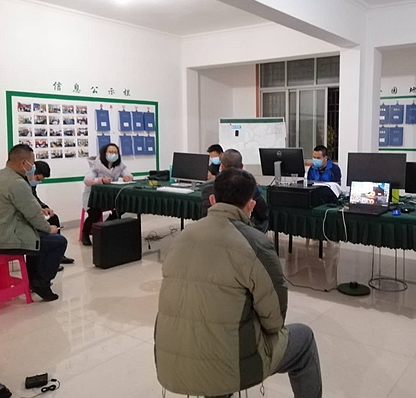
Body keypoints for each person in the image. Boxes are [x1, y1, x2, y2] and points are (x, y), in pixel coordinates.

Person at [155, 168, 322, 398]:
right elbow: (274, 321)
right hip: (229, 366)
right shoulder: (256, 243)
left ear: (212, 200)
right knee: (304, 339)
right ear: (251, 205)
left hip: (169, 363)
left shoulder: (181, 237)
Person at [0, 144, 68, 301]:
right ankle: (41, 283)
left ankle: (32, 279)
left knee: (37, 238)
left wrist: (40, 216)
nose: (33, 167)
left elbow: (17, 208)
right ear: (24, 163)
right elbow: (33, 215)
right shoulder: (17, 183)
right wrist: (49, 228)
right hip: (3, 239)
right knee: (58, 241)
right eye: (32, 163)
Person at [200, 149, 269, 232]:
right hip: (242, 233)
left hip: (210, 230)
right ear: (241, 167)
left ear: (222, 166)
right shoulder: (249, 186)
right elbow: (262, 213)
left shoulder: (207, 186)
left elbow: (204, 215)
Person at [81, 143, 133, 246]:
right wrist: (101, 180)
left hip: (109, 197)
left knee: (122, 208)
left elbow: (129, 174)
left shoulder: (119, 165)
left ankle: (107, 225)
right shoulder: (96, 165)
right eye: (110, 152)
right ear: (104, 153)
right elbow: (87, 181)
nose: (113, 154)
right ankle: (85, 234)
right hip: (93, 197)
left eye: (115, 152)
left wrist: (128, 177)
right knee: (95, 214)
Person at [31, 161, 74, 267]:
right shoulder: (21, 184)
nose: (38, 182)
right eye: (38, 179)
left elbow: (34, 198)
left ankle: (58, 256)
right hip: (29, 216)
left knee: (54, 218)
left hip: (34, 210)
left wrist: (45, 207)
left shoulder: (31, 185)